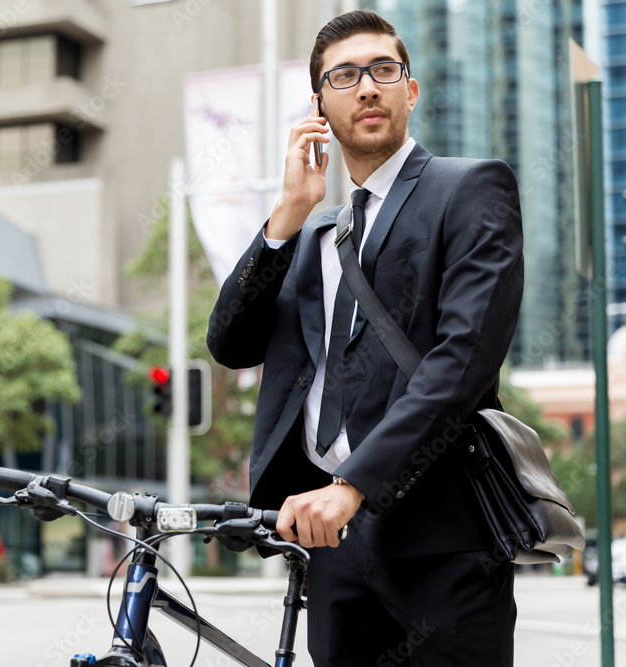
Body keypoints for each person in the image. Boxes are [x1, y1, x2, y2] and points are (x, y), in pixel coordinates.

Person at [207, 9, 523, 666]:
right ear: (319, 106)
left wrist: (352, 484)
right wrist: (287, 213)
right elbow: (230, 343)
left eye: (384, 70)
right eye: (345, 76)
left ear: (411, 90)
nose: (368, 87)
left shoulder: (469, 188)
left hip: (443, 542)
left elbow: (462, 361)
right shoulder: (314, 235)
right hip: (333, 547)